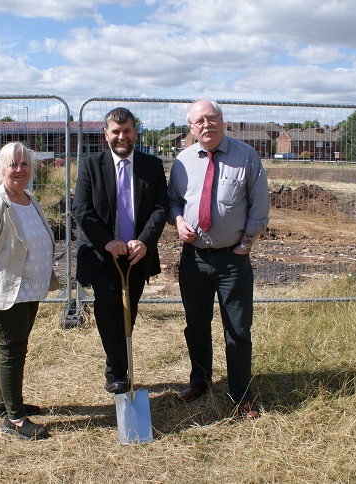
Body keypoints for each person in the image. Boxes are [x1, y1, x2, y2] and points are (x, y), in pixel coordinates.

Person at [167, 99, 270, 418]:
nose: (206, 125)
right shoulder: (183, 161)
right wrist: (179, 222)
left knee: (237, 329)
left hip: (232, 261)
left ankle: (241, 393)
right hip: (194, 260)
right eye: (199, 121)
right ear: (191, 128)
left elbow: (260, 205)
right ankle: (199, 381)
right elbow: (172, 201)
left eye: (212, 118)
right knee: (196, 325)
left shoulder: (246, 156)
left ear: (223, 121)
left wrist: (245, 244)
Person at [0, 142, 59, 440]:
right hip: (7, 290)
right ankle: (15, 419)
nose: (19, 169)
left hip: (29, 288)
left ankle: (4, 402)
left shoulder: (29, 198)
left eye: (24, 164)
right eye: (12, 164)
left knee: (13, 346)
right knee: (13, 349)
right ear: (1, 168)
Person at [73, 107, 168, 395]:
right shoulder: (91, 165)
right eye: (116, 131)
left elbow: (160, 208)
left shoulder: (151, 166)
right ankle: (116, 371)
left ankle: (119, 364)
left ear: (135, 133)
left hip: (137, 253)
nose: (121, 137)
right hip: (103, 255)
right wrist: (107, 241)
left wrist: (145, 240)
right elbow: (82, 210)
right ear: (106, 135)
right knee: (107, 303)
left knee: (129, 309)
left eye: (127, 131)